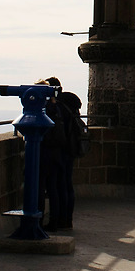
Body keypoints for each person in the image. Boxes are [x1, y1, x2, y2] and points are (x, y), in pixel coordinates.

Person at [38, 76, 84, 232]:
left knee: (57, 187)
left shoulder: (57, 107)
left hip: (59, 151)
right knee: (66, 186)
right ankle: (66, 219)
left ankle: (56, 221)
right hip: (69, 150)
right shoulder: (69, 106)